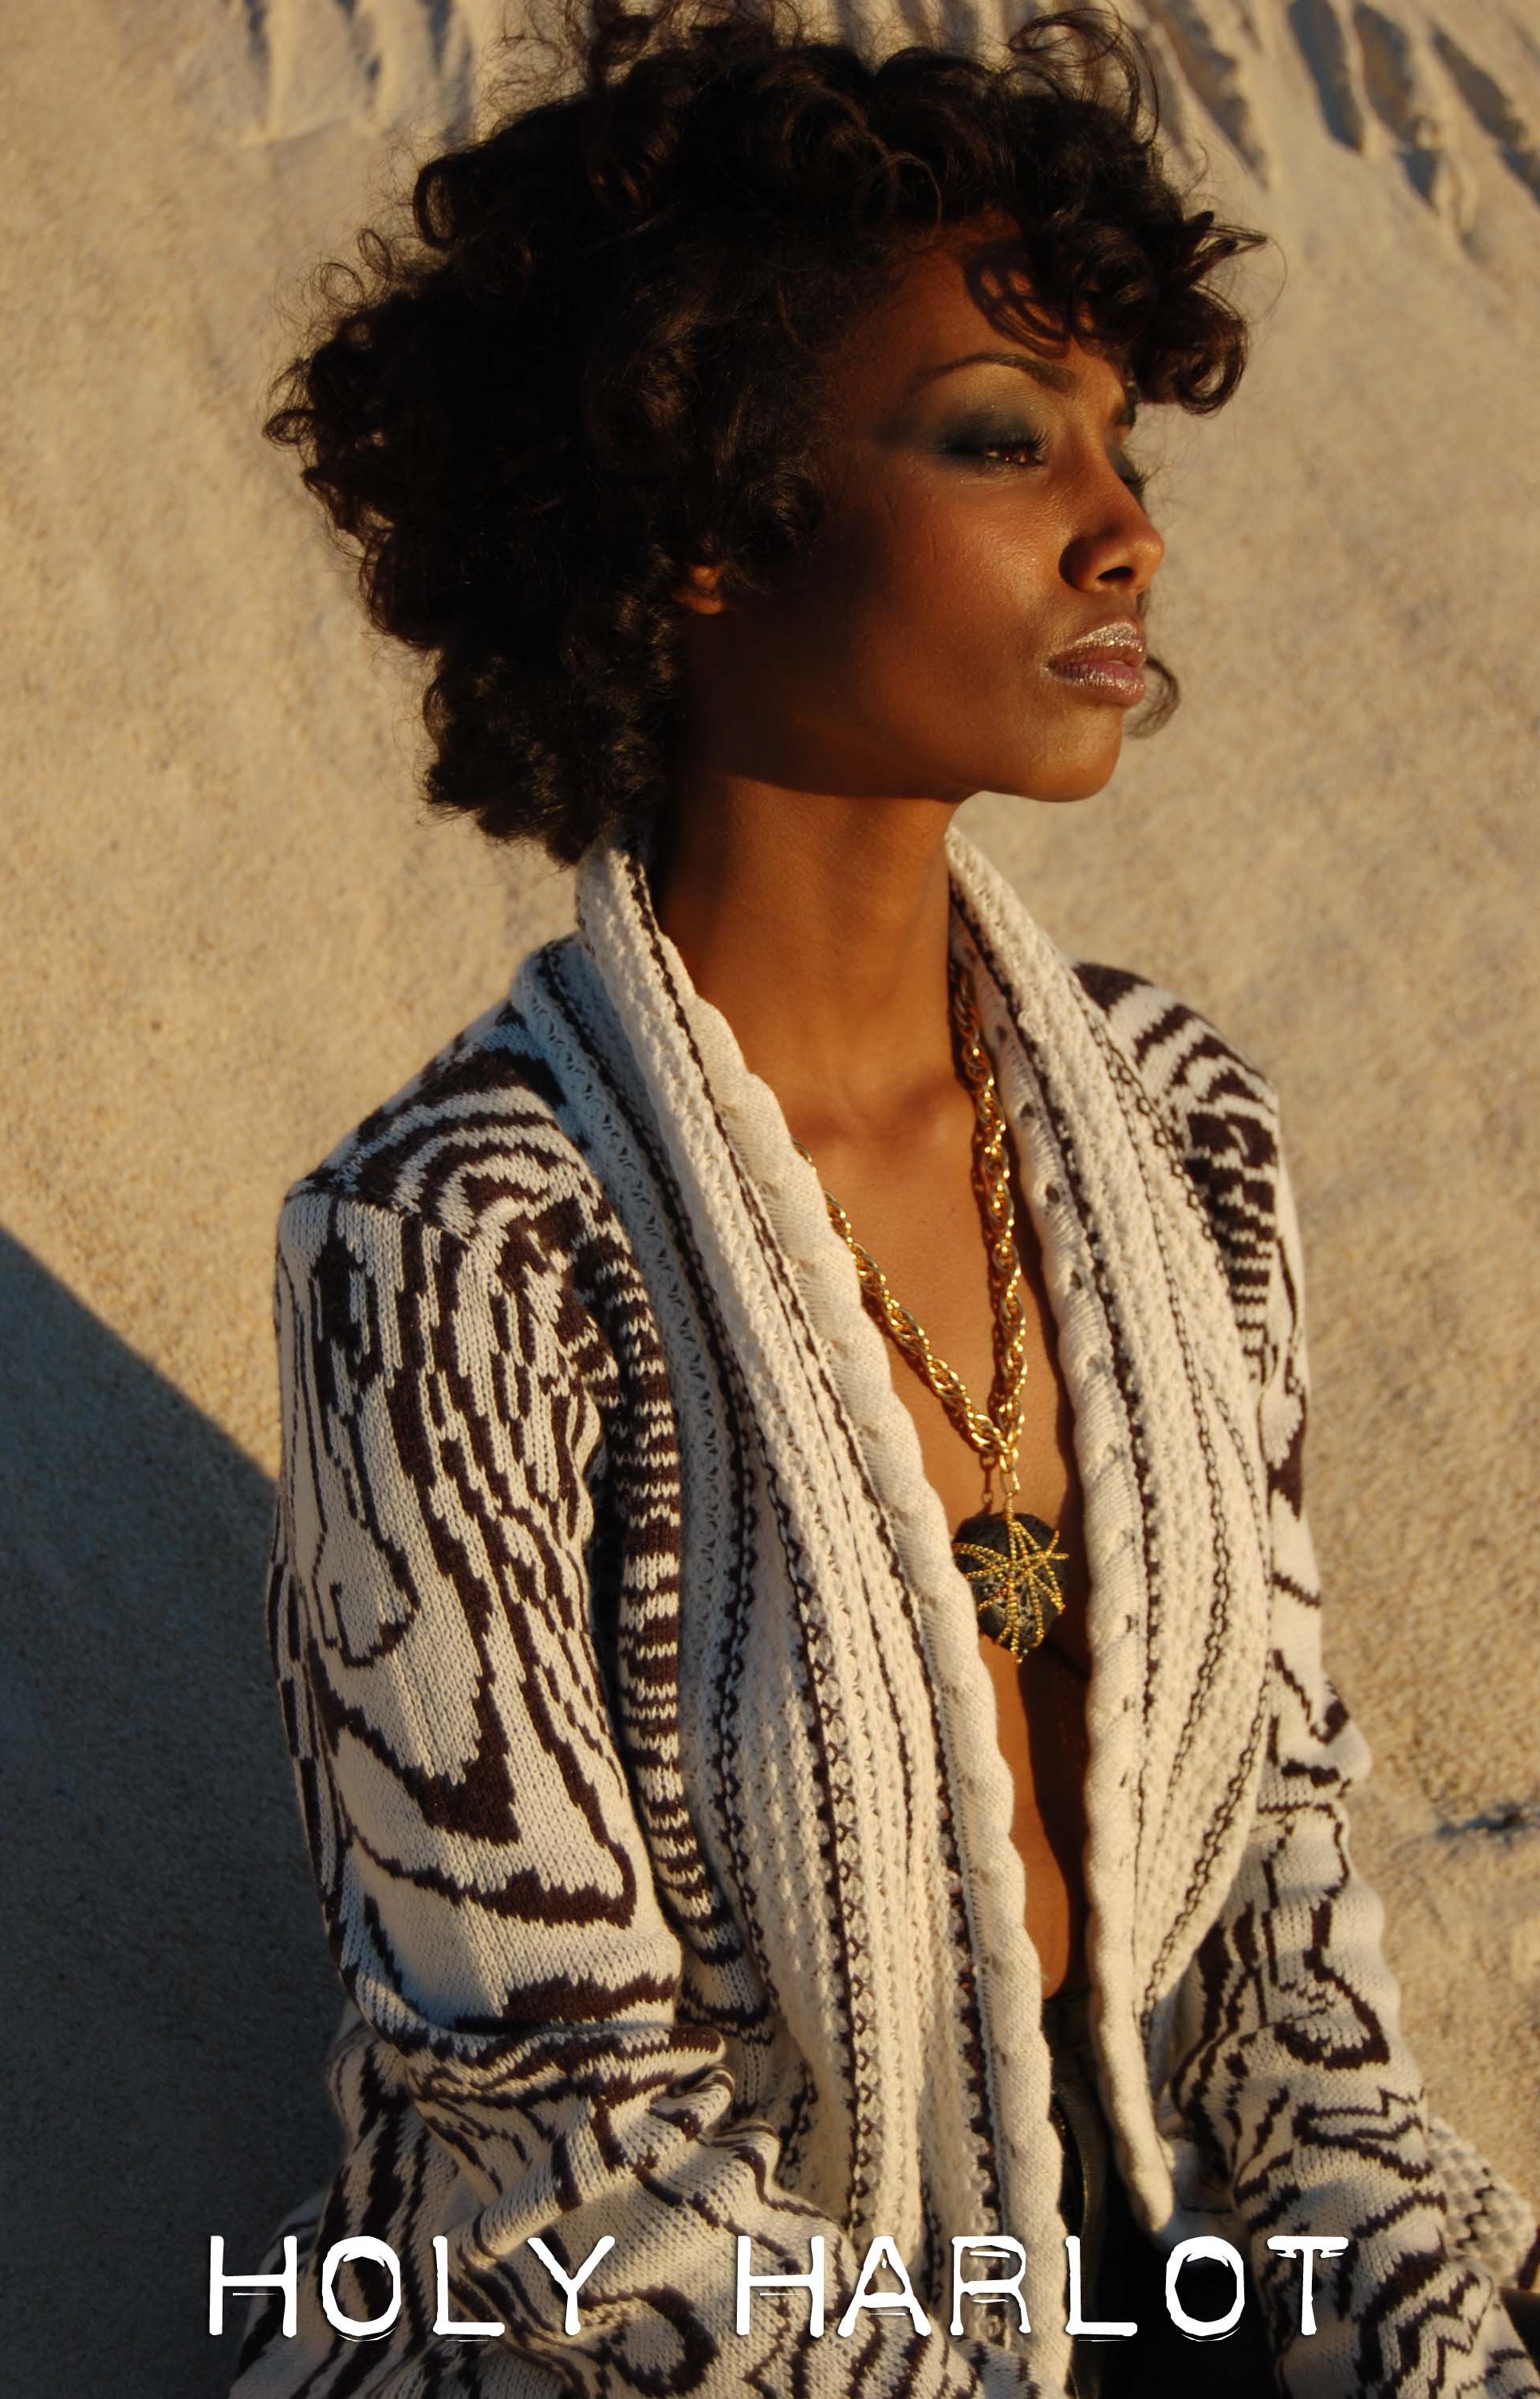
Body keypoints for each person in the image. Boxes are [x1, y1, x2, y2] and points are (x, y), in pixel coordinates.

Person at [226, 4, 1540, 2394]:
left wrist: (1420, 2335)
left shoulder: (1183, 1130)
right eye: (1003, 439)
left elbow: (1285, 1939)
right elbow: (563, 2183)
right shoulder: (459, 1252)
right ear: (704, 525)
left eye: (1123, 439)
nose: (1125, 525)